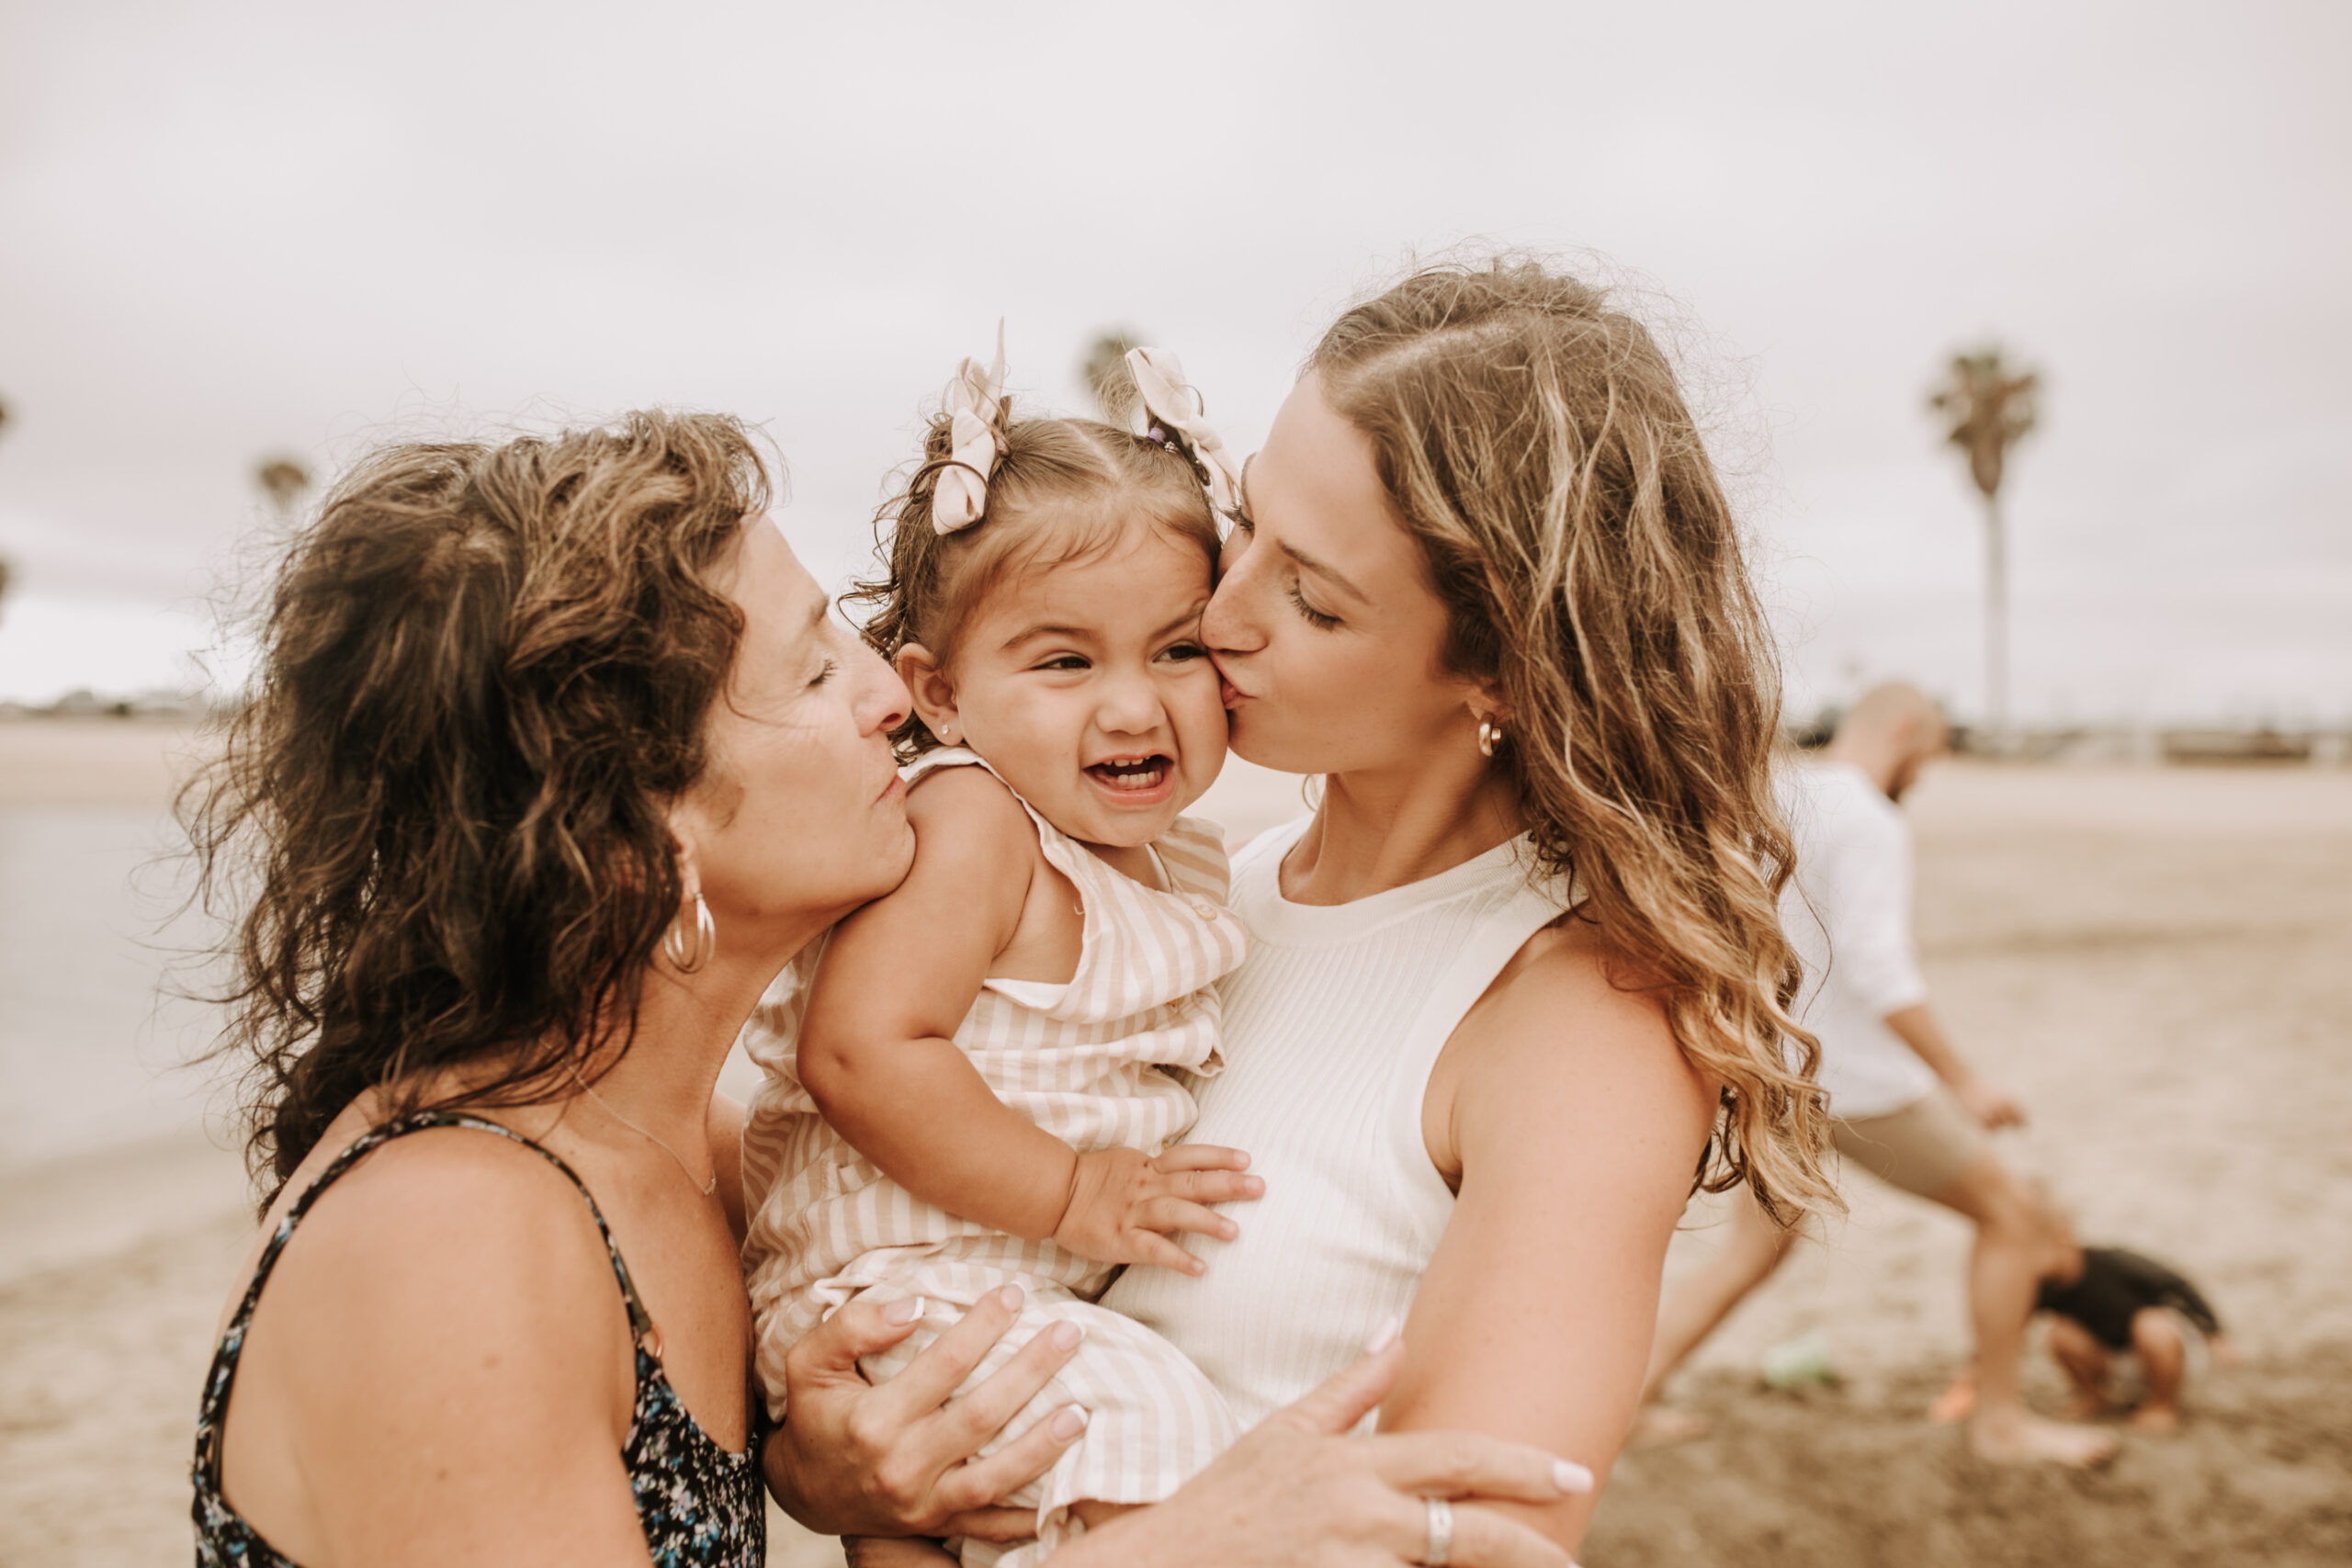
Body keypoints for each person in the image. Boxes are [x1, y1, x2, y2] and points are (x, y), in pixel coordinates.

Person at [185, 412, 1589, 1568]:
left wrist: (825, 1472)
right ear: (638, 828)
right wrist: (1198, 1538)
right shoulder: (451, 1234)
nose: (890, 697)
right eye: (811, 668)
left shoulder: (704, 1157)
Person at [770, 256, 1842, 1562]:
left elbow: (1479, 1544)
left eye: (1313, 596)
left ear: (1502, 664)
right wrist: (831, 1470)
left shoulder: (1578, 1021)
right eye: (1250, 527)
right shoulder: (1194, 890)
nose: (1220, 614)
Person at [738, 343, 1271, 1567]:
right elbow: (861, 1048)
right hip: (897, 1277)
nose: (1134, 706)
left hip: (982, 1289)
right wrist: (1075, 1192)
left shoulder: (1174, 860)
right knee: (1156, 1431)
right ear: (939, 691)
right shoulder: (976, 820)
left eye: (1178, 648)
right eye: (1066, 660)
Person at [1633, 682, 2119, 1465]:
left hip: (1772, 1068)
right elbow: (1877, 967)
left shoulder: (1778, 794)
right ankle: (2001, 1423)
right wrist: (1963, 1080)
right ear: (1903, 728)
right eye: (1928, 754)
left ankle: (1631, 1398)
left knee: (1752, 1252)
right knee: (2013, 1217)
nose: (1922, 773)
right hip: (1848, 1077)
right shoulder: (1867, 815)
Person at [1934, 1233, 2234, 1436]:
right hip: (2119, 1359)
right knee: (2063, 1332)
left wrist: (2216, 1335)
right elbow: (2005, 1330)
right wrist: (1966, 1382)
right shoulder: (2042, 1287)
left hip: (2172, 1352)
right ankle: (2093, 1397)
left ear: (2064, 1240)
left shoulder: (2110, 1262)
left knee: (2150, 1324)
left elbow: (2177, 1283)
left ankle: (2161, 1406)